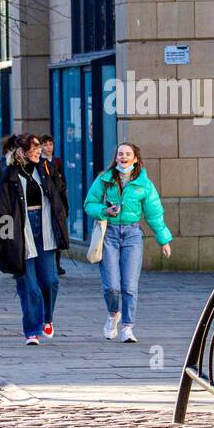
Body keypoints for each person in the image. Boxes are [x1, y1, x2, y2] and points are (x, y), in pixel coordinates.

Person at [84, 142, 173, 344]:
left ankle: (128, 327)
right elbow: (89, 204)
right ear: (116, 158)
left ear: (135, 159)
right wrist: (104, 211)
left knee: (130, 286)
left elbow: (154, 214)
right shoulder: (104, 180)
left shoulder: (144, 184)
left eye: (127, 154)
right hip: (109, 235)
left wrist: (164, 240)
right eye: (120, 154)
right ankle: (113, 314)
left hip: (133, 235)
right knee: (111, 286)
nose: (123, 157)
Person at [0, 134, 68, 345]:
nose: (38, 152)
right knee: (29, 286)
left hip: (45, 229)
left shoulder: (46, 169)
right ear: (22, 152)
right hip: (20, 231)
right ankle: (32, 331)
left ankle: (47, 318)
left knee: (51, 280)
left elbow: (60, 193)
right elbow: (1, 208)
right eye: (34, 149)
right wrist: (6, 239)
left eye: (39, 148)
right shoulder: (10, 174)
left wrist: (62, 217)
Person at [40, 133, 69, 275]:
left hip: (58, 201)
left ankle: (57, 263)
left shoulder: (57, 162)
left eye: (50, 144)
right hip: (46, 202)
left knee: (58, 231)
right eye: (45, 145)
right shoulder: (39, 162)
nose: (48, 147)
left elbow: (63, 182)